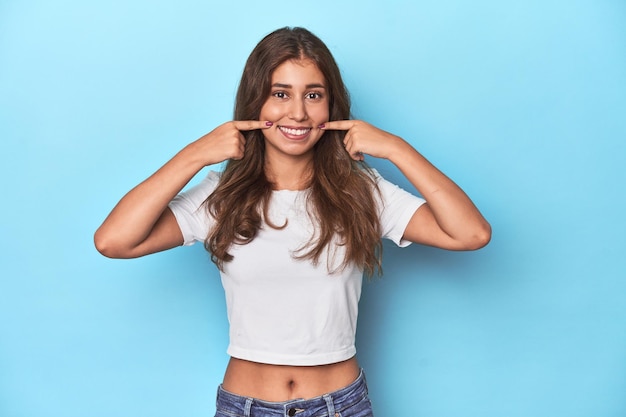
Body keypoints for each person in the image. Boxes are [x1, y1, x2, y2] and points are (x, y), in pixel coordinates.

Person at [94, 26, 490, 417]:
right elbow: (114, 241)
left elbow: (471, 233)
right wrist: (194, 155)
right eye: (280, 94)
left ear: (331, 106)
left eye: (313, 95)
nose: (298, 112)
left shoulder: (363, 192)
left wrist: (396, 149)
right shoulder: (221, 197)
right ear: (255, 104)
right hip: (244, 406)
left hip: (340, 406)